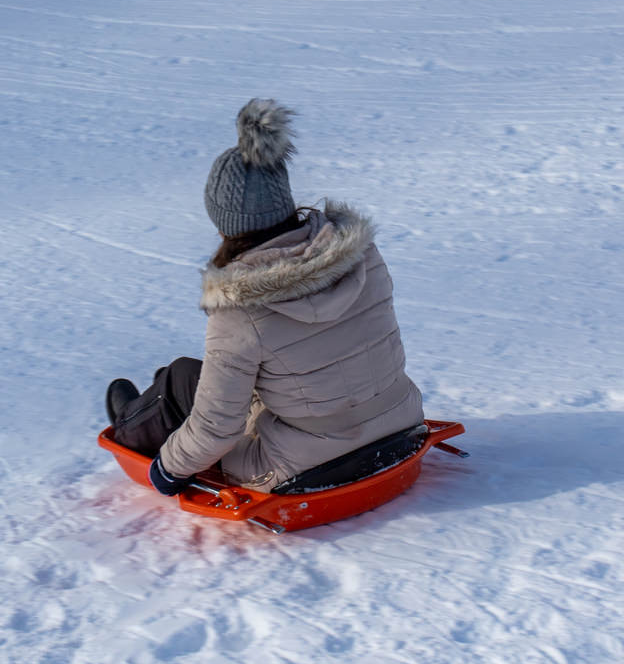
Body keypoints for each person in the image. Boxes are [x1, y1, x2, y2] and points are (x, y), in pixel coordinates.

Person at [105, 99, 424, 497]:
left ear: (226, 225)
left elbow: (216, 429)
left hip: (306, 464)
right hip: (399, 423)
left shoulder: (240, 306)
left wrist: (165, 473)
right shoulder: (362, 255)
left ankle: (133, 425)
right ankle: (159, 401)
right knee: (197, 376)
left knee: (181, 381)